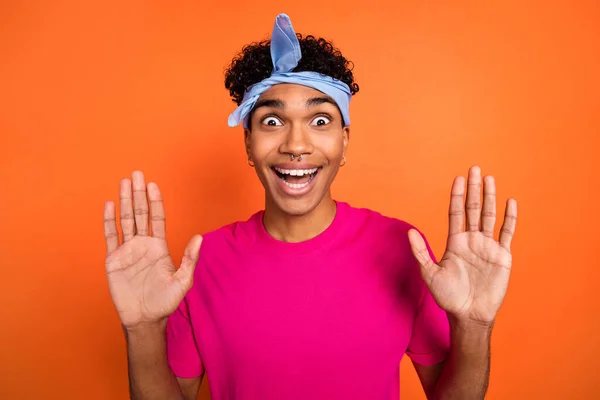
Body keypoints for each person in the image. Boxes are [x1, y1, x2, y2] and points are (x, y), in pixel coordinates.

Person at [103, 14, 518, 400]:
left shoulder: (403, 249)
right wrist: (141, 330)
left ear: (344, 142)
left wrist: (474, 327)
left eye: (320, 121)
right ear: (248, 142)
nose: (296, 145)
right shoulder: (203, 262)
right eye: (271, 121)